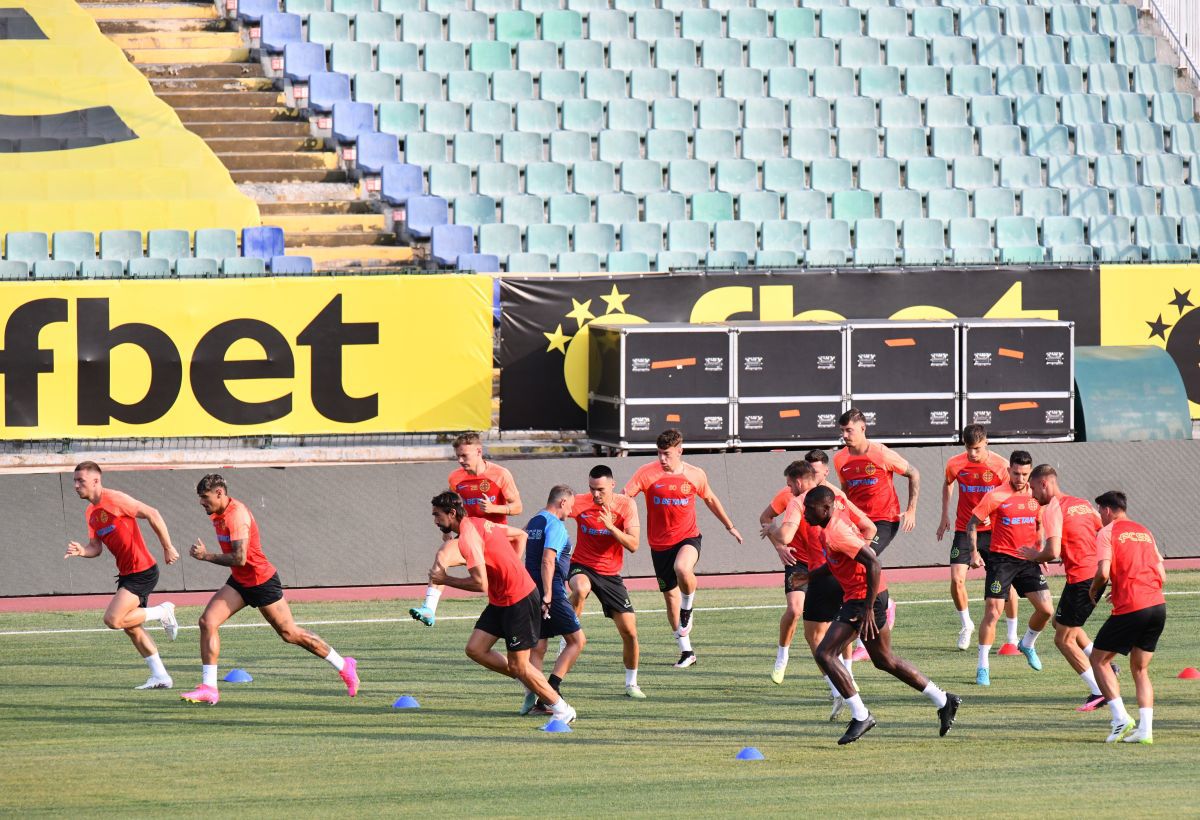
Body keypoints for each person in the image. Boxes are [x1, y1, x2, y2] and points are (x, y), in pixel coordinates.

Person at [794, 486, 960, 745]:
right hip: (865, 596)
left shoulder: (835, 531)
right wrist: (810, 575)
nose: (805, 513)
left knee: (825, 653)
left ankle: (861, 715)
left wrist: (869, 608)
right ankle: (943, 699)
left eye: (809, 508)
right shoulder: (832, 525)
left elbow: (873, 562)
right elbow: (839, 562)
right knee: (884, 660)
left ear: (825, 509)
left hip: (863, 599)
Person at [180, 474, 359, 705]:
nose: (201, 503)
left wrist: (206, 556)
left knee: (290, 634)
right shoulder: (217, 513)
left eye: (205, 497)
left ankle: (345, 666)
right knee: (207, 622)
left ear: (219, 493)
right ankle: (209, 688)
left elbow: (240, 558)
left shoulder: (237, 515)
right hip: (240, 582)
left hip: (261, 580)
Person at [427, 491, 577, 725]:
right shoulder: (478, 522)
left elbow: (480, 583)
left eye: (437, 515)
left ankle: (561, 708)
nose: (435, 521)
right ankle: (530, 681)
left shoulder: (468, 536)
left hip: (519, 599)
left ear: (452, 513)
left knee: (520, 665)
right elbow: (519, 536)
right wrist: (510, 565)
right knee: (475, 649)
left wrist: (445, 579)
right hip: (501, 600)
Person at [765, 459, 876, 720]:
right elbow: (869, 527)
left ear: (801, 481)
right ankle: (786, 658)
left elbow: (784, 535)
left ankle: (841, 687)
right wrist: (857, 556)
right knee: (814, 617)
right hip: (817, 568)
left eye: (790, 483)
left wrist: (774, 534)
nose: (789, 488)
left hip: (822, 572)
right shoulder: (830, 495)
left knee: (817, 637)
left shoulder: (800, 500)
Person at [624, 429, 743, 669]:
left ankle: (688, 607)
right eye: (659, 454)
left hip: (688, 537)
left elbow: (710, 499)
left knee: (682, 567)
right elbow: (625, 497)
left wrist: (729, 525)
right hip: (658, 544)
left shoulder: (695, 475)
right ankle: (686, 651)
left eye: (667, 454)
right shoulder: (646, 473)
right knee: (670, 599)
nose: (662, 459)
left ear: (680, 450)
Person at [65, 461, 180, 690]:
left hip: (142, 571)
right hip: (128, 574)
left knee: (113, 620)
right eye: (75, 481)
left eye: (81, 481)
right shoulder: (91, 513)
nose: (76, 485)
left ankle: (162, 611)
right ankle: (161, 676)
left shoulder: (115, 499)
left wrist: (168, 547)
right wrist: (82, 551)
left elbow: (152, 513)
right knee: (132, 627)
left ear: (96, 481)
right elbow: (95, 548)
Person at [410, 432, 523, 627]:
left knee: (505, 592)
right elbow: (450, 508)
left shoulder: (500, 474)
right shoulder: (455, 478)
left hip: (494, 540)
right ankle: (429, 608)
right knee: (442, 556)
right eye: (458, 456)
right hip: (469, 538)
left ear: (479, 451)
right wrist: (446, 532)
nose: (460, 460)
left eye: (464, 456)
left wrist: (494, 508)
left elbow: (518, 507)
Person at [833, 408, 918, 658]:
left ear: (862, 428)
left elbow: (914, 473)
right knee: (852, 564)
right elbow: (845, 490)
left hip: (884, 520)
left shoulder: (880, 452)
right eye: (842, 431)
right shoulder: (840, 459)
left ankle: (876, 620)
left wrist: (911, 510)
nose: (845, 435)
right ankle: (883, 606)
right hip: (857, 521)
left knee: (866, 557)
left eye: (849, 430)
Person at [1021, 465, 1107, 711]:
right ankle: (1102, 666)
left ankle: (1099, 690)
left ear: (1045, 484)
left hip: (1082, 578)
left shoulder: (1051, 509)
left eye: (1034, 488)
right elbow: (1103, 532)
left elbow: (1053, 551)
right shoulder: (1081, 503)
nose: (1032, 494)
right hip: (1091, 576)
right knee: (1061, 624)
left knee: (1063, 640)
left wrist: (1035, 556)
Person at [967, 451, 1053, 686]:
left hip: (1028, 560)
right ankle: (983, 666)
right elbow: (972, 523)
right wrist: (974, 553)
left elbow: (1038, 526)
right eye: (1016, 473)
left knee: (1046, 610)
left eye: (1025, 474)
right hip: (1001, 561)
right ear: (1009, 471)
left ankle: (1027, 643)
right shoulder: (995, 496)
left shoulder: (1036, 497)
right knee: (993, 613)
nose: (1020, 478)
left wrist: (1041, 551)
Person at [1088, 491, 1166, 744]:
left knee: (1098, 659)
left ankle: (1120, 718)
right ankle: (1146, 731)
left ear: (1108, 510)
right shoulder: (1145, 531)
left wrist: (1094, 590)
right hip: (1157, 605)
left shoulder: (1107, 532)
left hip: (1133, 605)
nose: (1099, 516)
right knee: (1140, 669)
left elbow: (1102, 572)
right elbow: (1161, 575)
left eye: (1099, 511)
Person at [936, 424, 1019, 652]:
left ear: (986, 443)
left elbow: (1010, 498)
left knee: (1006, 583)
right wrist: (945, 515)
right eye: (969, 448)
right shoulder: (955, 463)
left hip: (994, 531)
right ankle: (967, 625)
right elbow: (947, 484)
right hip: (965, 528)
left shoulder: (1001, 466)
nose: (973, 453)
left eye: (977, 448)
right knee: (956, 580)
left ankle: (1012, 636)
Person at [567, 464, 644, 698]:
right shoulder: (579, 502)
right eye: (592, 489)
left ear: (612, 485)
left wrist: (612, 528)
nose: (595, 494)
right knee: (580, 588)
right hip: (582, 565)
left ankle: (631, 684)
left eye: (600, 489)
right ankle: (569, 633)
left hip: (610, 575)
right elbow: (551, 512)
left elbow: (633, 545)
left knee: (630, 632)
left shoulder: (626, 505)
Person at [520, 485, 586, 716]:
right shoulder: (555, 524)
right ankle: (551, 691)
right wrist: (548, 594)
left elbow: (519, 544)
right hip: (552, 591)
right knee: (577, 641)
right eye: (571, 506)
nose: (571, 512)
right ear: (563, 502)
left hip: (529, 589)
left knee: (538, 647)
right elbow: (548, 560)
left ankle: (534, 698)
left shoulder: (535, 520)